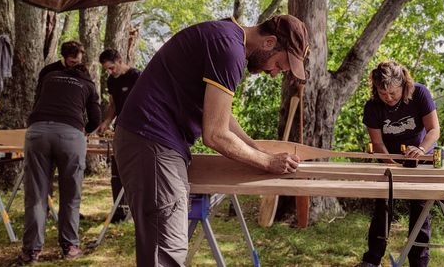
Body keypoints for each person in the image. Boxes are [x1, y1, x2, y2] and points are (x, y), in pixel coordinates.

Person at [114, 15, 309, 266]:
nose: (273, 74)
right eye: (279, 65)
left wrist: (254, 147)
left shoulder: (225, 37)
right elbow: (215, 134)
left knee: (163, 247)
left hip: (150, 139)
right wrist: (267, 162)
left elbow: (221, 115)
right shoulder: (229, 50)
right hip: (151, 140)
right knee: (166, 252)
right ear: (269, 42)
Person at [359, 61, 440, 267]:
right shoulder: (372, 105)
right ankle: (373, 259)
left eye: (393, 93)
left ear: (404, 85)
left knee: (420, 209)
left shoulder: (420, 93)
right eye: (382, 93)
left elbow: (433, 130)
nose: (388, 98)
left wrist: (421, 150)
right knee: (382, 205)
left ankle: (419, 262)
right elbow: (377, 142)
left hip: (420, 158)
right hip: (389, 159)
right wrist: (390, 162)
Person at [18, 63, 101, 263]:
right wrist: (85, 129)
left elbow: (36, 102)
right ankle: (70, 246)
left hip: (37, 132)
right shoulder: (88, 84)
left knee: (36, 194)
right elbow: (95, 118)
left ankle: (31, 251)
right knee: (71, 194)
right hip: (70, 135)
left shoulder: (49, 77)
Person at [97, 49, 141, 223]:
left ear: (121, 61)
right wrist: (106, 122)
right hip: (120, 130)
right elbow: (113, 105)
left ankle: (137, 211)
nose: (110, 72)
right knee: (117, 173)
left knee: (135, 172)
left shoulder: (137, 76)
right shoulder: (111, 81)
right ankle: (119, 212)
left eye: (112, 67)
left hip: (138, 130)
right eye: (107, 69)